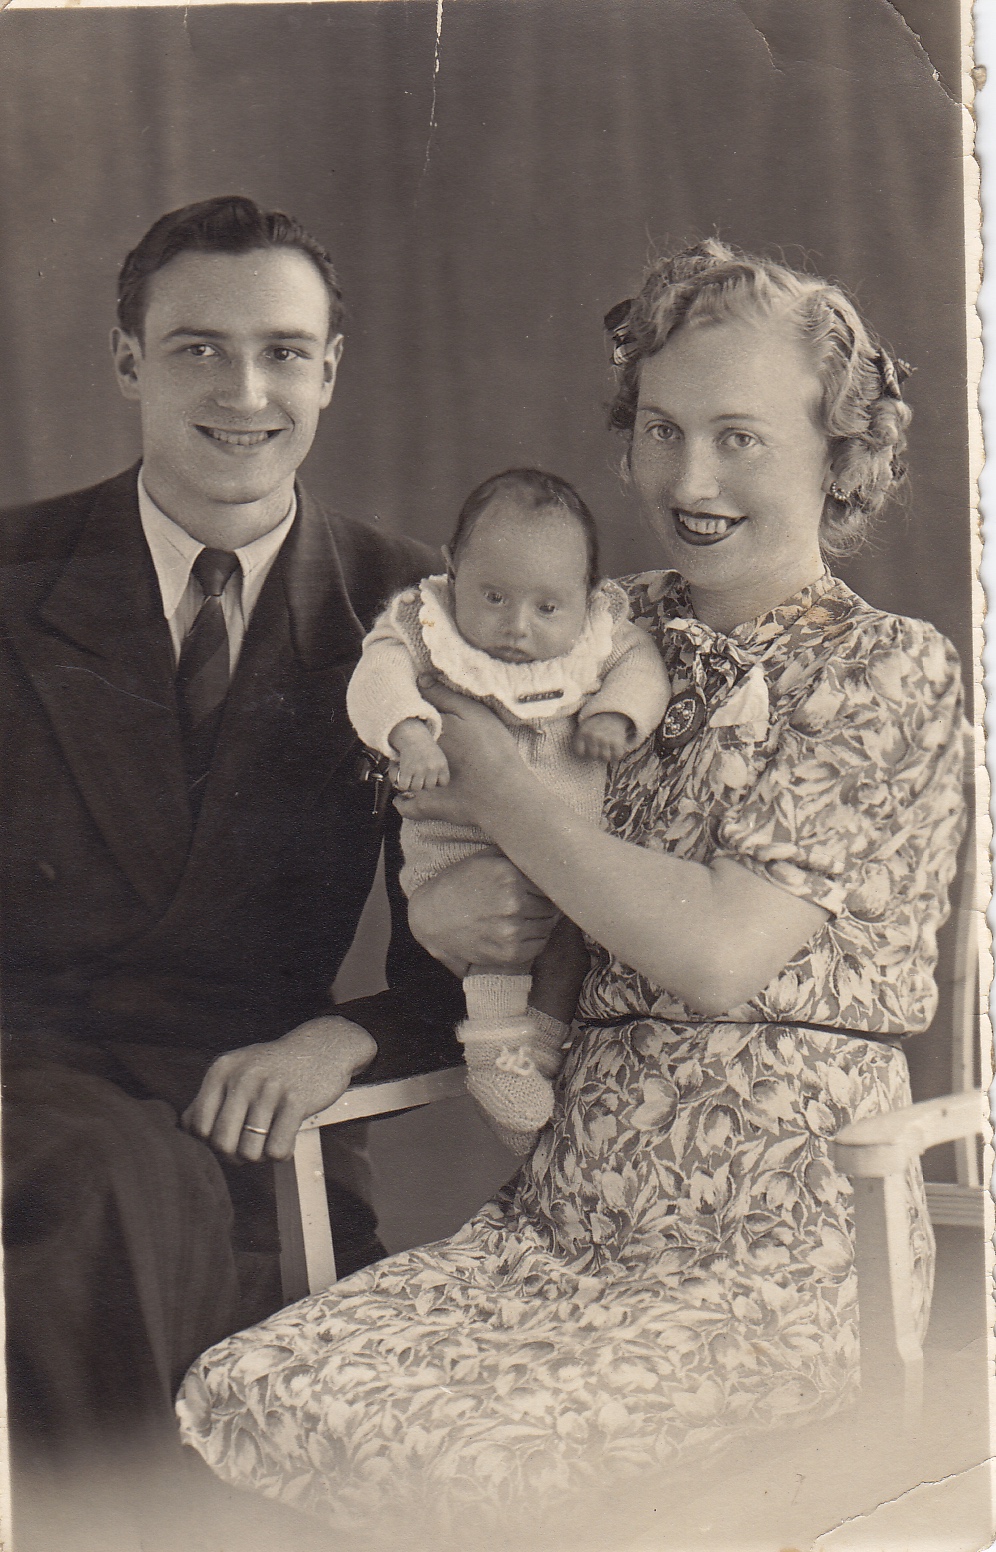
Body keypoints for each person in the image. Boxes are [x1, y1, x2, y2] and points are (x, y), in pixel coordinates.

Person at [176, 240, 967, 1549]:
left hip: (770, 1248)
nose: (689, 481)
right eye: (661, 430)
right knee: (253, 1381)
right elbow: (437, 762)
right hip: (562, 1218)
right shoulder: (603, 621)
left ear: (837, 454)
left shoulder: (887, 673)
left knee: (475, 1467)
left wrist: (493, 778)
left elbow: (718, 954)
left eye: (739, 438)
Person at [0, 194, 483, 1473]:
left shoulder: (412, 612)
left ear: (330, 369)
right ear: (126, 363)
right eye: (197, 348)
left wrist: (340, 1035)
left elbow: (475, 956)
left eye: (281, 351)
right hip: (23, 1089)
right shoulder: (10, 572)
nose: (244, 388)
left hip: (256, 1106)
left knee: (212, 1240)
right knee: (110, 1188)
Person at [346, 467, 671, 1152]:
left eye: (547, 608)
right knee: (503, 938)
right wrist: (409, 732)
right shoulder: (423, 625)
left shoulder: (602, 631)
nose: (515, 628)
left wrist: (617, 715)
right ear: (452, 569)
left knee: (569, 944)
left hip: (570, 852)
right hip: (464, 850)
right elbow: (376, 678)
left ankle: (543, 1043)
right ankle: (494, 1050)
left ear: (585, 597)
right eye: (492, 596)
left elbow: (641, 668)